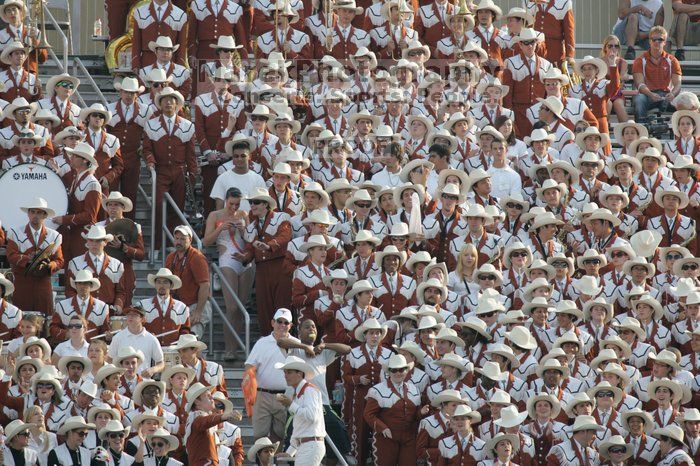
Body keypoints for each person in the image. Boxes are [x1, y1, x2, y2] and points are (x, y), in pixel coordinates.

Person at [142, 87, 196, 250]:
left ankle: (175, 244)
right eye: (164, 100)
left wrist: (192, 174)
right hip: (161, 171)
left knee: (177, 207)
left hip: (179, 171)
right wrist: (150, 161)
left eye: (171, 100)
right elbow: (147, 149)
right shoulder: (151, 124)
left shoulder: (187, 125)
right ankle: (158, 245)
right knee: (159, 206)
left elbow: (191, 154)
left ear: (177, 104)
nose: (168, 103)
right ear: (160, 103)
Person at [203, 187, 252, 360]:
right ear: (225, 200)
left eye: (237, 204)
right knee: (231, 307)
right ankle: (229, 349)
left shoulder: (244, 214)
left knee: (240, 308)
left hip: (245, 260)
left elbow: (252, 241)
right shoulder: (215, 215)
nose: (234, 208)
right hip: (227, 258)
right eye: (231, 204)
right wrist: (221, 228)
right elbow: (206, 241)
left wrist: (243, 230)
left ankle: (237, 347)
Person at [244, 308, 298, 442]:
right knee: (259, 436)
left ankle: (277, 463)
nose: (282, 325)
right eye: (279, 321)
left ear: (290, 326)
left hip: (287, 395)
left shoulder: (297, 344)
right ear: (272, 322)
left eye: (286, 323)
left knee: (280, 436)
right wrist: (250, 388)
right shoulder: (262, 343)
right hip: (262, 395)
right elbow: (250, 365)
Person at [6, 197, 63, 316]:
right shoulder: (15, 232)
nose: (35, 215)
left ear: (45, 215)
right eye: (32, 212)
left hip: (43, 284)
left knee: (44, 321)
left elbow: (59, 260)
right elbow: (11, 255)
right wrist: (29, 259)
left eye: (39, 212)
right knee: (21, 321)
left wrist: (49, 265)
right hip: (22, 284)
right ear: (28, 214)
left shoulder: (55, 236)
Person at [106, 77, 149, 219]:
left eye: (132, 93)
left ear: (137, 94)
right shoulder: (110, 109)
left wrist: (144, 146)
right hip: (113, 158)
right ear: (120, 92)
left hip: (133, 157)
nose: (129, 96)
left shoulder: (145, 111)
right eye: (126, 92)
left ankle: (129, 227)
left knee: (130, 193)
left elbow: (151, 132)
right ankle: (108, 226)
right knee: (111, 193)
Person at [96, 191, 146, 306]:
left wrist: (124, 247)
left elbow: (141, 254)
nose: (112, 208)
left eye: (116, 204)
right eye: (110, 205)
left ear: (123, 207)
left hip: (125, 270)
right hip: (104, 270)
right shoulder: (98, 227)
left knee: (125, 305)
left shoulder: (134, 226)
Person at [274, 355, 327, 466]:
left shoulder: (309, 390)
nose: (285, 376)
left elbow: (312, 416)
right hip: (308, 445)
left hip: (310, 446)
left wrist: (290, 404)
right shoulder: (301, 392)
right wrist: (290, 452)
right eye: (285, 372)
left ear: (299, 373)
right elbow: (300, 426)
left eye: (289, 372)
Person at [164, 225, 211, 339]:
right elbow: (165, 283)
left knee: (191, 339)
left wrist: (198, 312)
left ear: (190, 240)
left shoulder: (197, 257)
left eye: (182, 239)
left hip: (195, 304)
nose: (178, 242)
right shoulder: (171, 257)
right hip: (178, 305)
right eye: (176, 238)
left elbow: (205, 286)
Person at [632, 26, 682, 123]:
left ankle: (680, 132)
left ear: (665, 42)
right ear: (649, 41)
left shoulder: (672, 60)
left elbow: (678, 84)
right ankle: (641, 131)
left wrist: (672, 93)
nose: (657, 42)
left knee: (685, 101)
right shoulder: (640, 60)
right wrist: (650, 94)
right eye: (654, 39)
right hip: (647, 95)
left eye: (660, 39)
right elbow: (640, 84)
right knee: (639, 100)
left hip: (667, 95)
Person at [107, 307, 164, 378]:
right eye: (128, 314)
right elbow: (109, 360)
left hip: (143, 383)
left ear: (142, 319)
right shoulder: (118, 337)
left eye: (134, 315)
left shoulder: (151, 339)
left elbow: (161, 363)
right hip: (122, 385)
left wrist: (152, 369)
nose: (130, 317)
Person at [131, 0, 187, 70]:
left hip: (170, 64)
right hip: (146, 63)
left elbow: (181, 44)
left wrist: (180, 68)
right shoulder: (139, 12)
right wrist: (135, 64)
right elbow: (136, 42)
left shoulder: (180, 14)